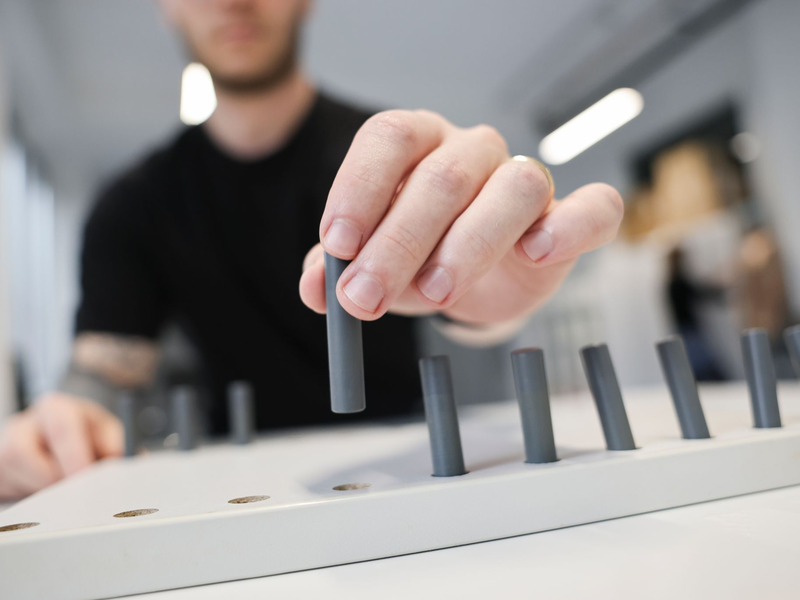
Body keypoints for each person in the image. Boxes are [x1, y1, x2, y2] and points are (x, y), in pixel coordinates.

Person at [0, 0, 623, 499]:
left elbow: (472, 323)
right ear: (166, 6)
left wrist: (494, 302)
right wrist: (59, 429)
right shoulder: (131, 207)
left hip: (415, 483)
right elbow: (102, 381)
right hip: (234, 497)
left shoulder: (402, 165)